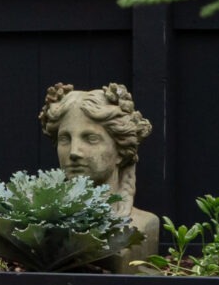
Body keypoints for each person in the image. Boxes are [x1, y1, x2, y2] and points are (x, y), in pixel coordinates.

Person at [38, 81, 159, 264]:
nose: (74, 152)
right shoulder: (40, 228)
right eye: (65, 139)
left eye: (91, 138)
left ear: (120, 150)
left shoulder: (143, 225)